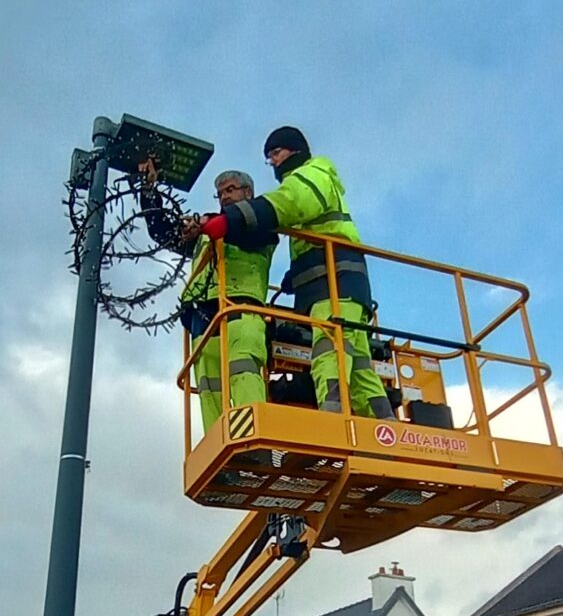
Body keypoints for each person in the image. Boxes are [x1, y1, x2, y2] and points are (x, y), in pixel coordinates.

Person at [200, 127, 394, 420]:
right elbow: (316, 229)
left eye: (275, 154)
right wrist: (297, 272)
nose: (273, 163)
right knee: (359, 366)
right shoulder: (309, 178)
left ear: (294, 149)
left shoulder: (314, 173)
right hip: (332, 283)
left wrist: (233, 219)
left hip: (335, 282)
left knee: (329, 354)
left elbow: (291, 202)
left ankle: (333, 425)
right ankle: (387, 431)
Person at [139, 165, 277, 432]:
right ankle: (220, 449)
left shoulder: (261, 221)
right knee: (209, 387)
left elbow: (240, 227)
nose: (224, 197)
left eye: (230, 190)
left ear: (248, 192)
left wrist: (204, 224)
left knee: (244, 373)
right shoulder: (207, 231)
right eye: (220, 193)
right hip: (203, 317)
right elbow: (161, 231)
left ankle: (255, 441)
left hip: (241, 308)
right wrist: (149, 191)